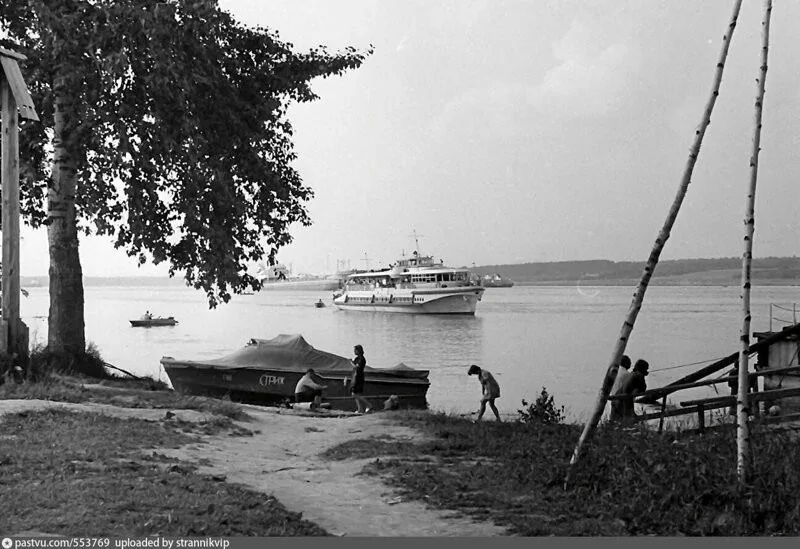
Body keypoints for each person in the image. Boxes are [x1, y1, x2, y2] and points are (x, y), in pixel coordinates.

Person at [614, 359, 649, 423]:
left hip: (617, 400)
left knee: (618, 423)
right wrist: (643, 376)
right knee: (629, 422)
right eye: (646, 369)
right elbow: (643, 388)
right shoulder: (637, 376)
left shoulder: (632, 374)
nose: (647, 371)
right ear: (642, 369)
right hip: (623, 401)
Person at [346, 344, 372, 414]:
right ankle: (360, 409)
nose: (354, 351)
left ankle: (368, 404)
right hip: (354, 377)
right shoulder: (357, 358)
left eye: (355, 350)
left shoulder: (362, 359)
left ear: (358, 350)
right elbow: (355, 364)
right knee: (357, 394)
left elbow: (356, 367)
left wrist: (351, 362)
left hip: (358, 378)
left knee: (354, 394)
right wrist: (352, 361)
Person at [609, 355, 632, 421]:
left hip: (613, 398)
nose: (630, 364)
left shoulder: (615, 372)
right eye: (629, 363)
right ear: (625, 363)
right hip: (622, 401)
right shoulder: (627, 374)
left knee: (613, 420)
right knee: (624, 420)